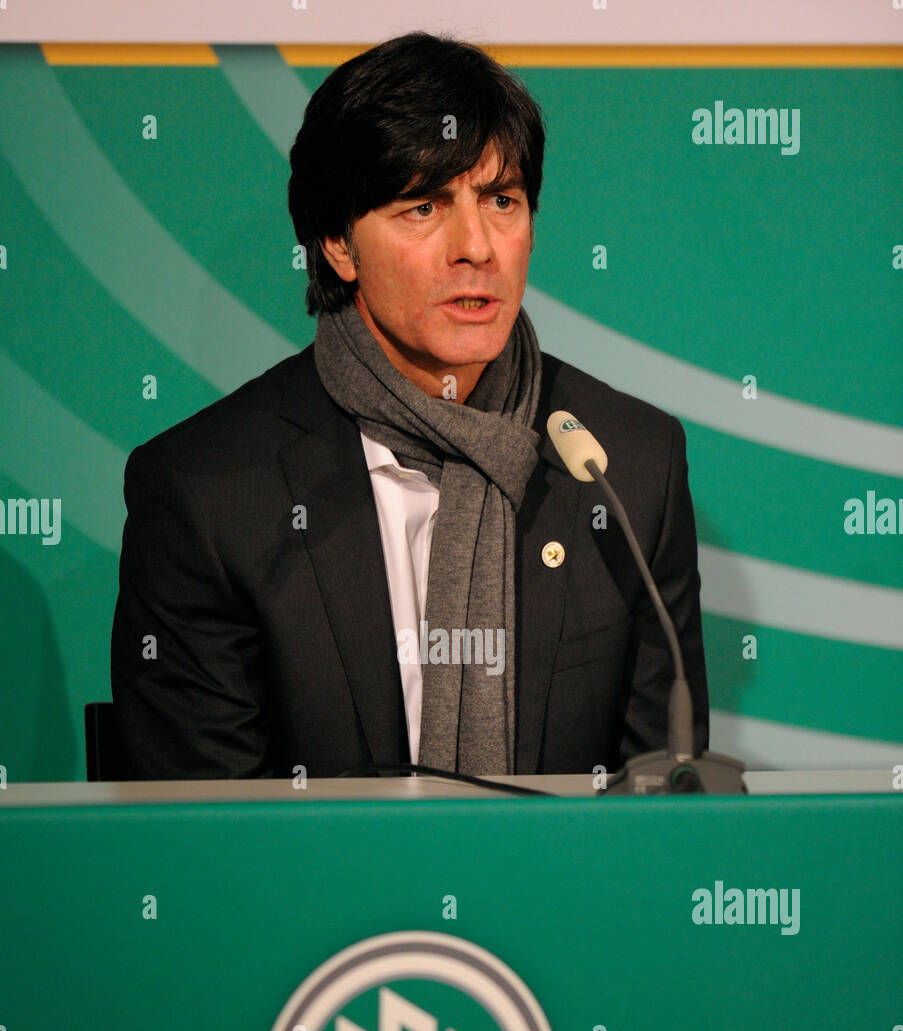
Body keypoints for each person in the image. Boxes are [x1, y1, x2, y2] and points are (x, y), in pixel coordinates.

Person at [110, 30, 709, 780]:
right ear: (336, 241)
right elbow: (212, 844)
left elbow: (660, 801)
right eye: (423, 207)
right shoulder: (208, 493)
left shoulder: (627, 466)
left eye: (501, 201)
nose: (476, 247)